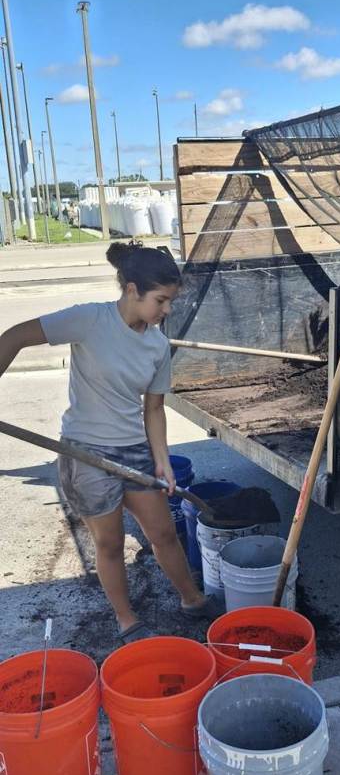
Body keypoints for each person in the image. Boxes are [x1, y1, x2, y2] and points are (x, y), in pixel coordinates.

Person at [0, 240, 219, 641]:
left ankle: (192, 598)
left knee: (164, 532)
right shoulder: (89, 320)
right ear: (132, 289)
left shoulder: (156, 345)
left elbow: (153, 410)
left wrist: (163, 461)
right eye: (161, 300)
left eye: (170, 301)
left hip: (133, 450)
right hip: (84, 453)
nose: (166, 310)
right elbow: (14, 336)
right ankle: (125, 619)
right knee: (111, 543)